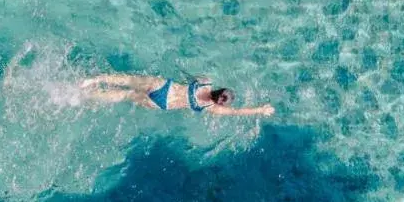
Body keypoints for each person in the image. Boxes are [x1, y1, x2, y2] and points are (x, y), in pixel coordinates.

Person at [79, 73, 275, 117]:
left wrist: (189, 78)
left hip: (165, 87)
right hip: (162, 102)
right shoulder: (211, 108)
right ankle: (87, 95)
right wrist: (260, 110)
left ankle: (95, 80)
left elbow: (191, 77)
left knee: (128, 80)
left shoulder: (206, 82)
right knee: (125, 95)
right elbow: (236, 112)